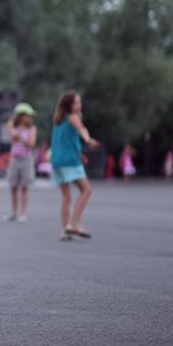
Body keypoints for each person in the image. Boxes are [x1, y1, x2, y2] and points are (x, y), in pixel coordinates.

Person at [50, 91, 100, 241]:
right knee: (86, 190)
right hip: (69, 161)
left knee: (66, 197)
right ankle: (74, 224)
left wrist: (79, 153)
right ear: (69, 105)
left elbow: (65, 142)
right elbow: (82, 129)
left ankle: (65, 230)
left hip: (57, 161)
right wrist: (88, 140)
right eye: (77, 103)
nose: (80, 105)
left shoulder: (58, 121)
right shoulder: (73, 117)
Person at [4, 102, 37, 222]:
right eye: (27, 115)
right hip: (14, 158)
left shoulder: (32, 129)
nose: (30, 118)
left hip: (26, 159)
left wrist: (21, 138)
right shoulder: (12, 125)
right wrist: (14, 131)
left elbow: (31, 144)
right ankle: (14, 212)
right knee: (13, 186)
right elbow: (12, 134)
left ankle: (23, 213)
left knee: (24, 186)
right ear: (21, 116)